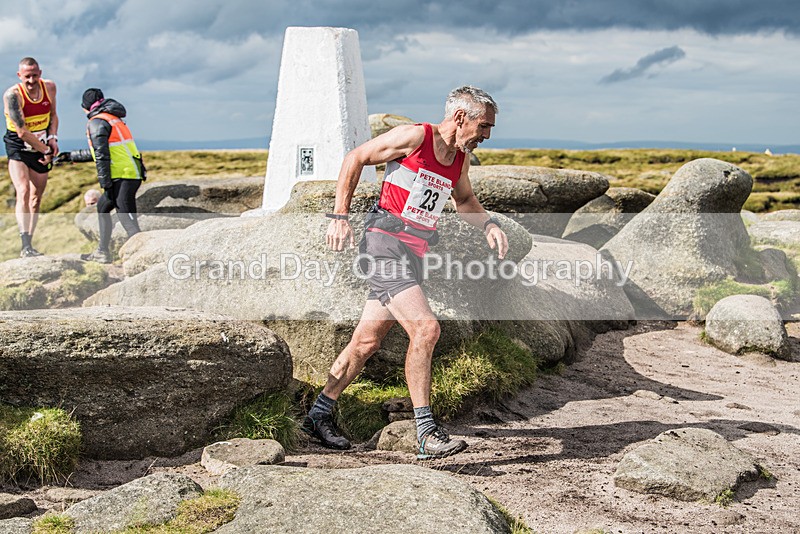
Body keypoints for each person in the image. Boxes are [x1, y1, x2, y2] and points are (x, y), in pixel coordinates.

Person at [302, 86, 508, 459]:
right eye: (484, 126)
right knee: (426, 329)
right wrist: (339, 216)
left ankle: (318, 415)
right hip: (384, 245)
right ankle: (425, 433)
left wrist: (489, 224)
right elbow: (355, 157)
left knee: (366, 342)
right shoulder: (416, 137)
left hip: (413, 254)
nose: (487, 135)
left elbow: (464, 200)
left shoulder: (458, 159)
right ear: (460, 117)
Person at [63, 88, 145, 263]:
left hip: (122, 175)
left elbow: (101, 154)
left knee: (126, 217)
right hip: (130, 172)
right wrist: (71, 156)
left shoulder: (96, 121)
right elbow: (100, 150)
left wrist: (105, 182)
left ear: (85, 107)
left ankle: (143, 255)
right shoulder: (112, 118)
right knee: (103, 207)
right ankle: (102, 251)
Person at [3, 57, 58, 257]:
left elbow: (53, 115)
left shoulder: (49, 87)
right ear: (20, 75)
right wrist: (46, 151)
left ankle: (30, 244)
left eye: (35, 75)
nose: (31, 80)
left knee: (36, 198)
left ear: (40, 73)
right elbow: (21, 132)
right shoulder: (12, 95)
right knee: (23, 190)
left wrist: (52, 138)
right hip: (19, 144)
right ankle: (24, 242)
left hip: (42, 141)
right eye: (27, 76)